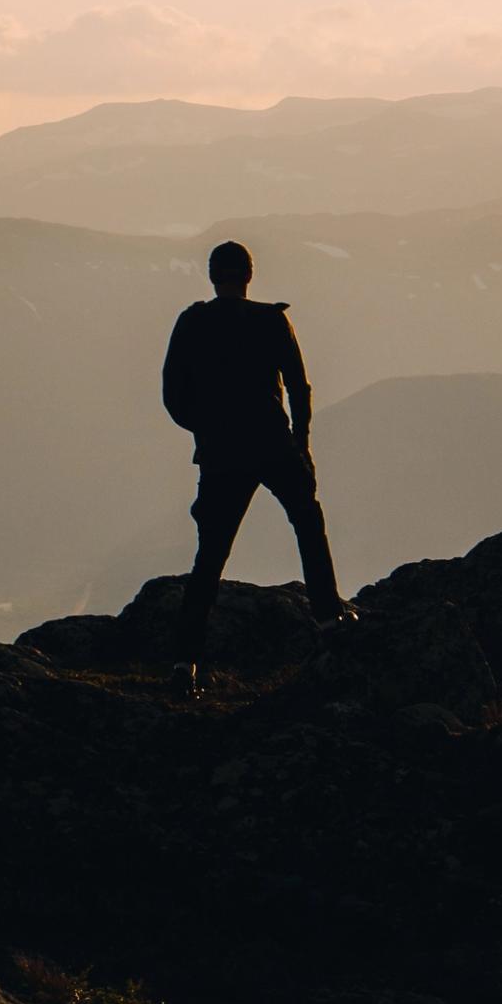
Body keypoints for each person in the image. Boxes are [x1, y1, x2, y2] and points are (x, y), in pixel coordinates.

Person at [159, 238, 349, 692]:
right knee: (307, 521)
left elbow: (173, 394)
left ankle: (185, 663)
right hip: (272, 444)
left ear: (212, 276)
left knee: (211, 554)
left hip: (221, 452)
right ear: (249, 275)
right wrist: (301, 442)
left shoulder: (192, 322)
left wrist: (205, 428)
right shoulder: (271, 320)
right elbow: (299, 387)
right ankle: (328, 617)